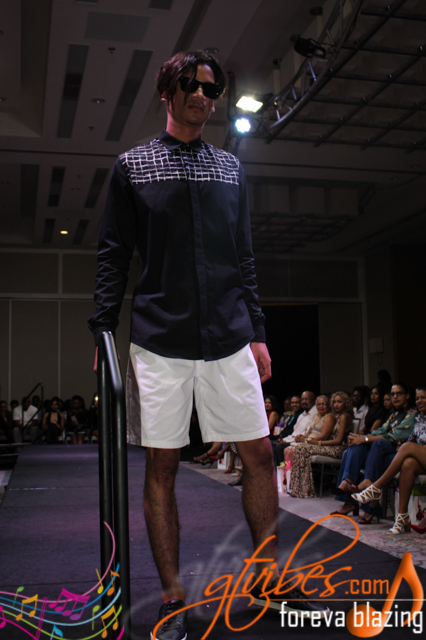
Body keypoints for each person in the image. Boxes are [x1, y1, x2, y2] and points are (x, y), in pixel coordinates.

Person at [88, 50, 327, 640]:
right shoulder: (133, 166)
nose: (202, 95)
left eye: (211, 89)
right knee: (162, 465)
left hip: (229, 334)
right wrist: (102, 329)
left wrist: (259, 332)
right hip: (159, 339)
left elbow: (244, 257)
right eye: (191, 85)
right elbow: (114, 253)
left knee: (260, 455)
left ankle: (267, 578)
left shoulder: (229, 169)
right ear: (166, 91)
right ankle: (173, 596)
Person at [331, 383, 416, 522]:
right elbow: (380, 431)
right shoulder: (394, 414)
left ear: (407, 395)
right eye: (393, 394)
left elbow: (396, 436)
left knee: (376, 444)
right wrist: (360, 438)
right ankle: (348, 486)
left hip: (398, 455)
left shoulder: (412, 414)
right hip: (382, 453)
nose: (395, 397)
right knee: (353, 448)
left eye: (399, 393)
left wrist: (365, 439)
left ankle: (368, 489)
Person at [353, 386, 426, 534]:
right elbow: (412, 438)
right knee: (407, 464)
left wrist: (407, 446)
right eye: (418, 398)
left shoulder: (411, 414)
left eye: (423, 397)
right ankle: (402, 516)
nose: (419, 401)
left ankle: (375, 487)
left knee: (405, 447)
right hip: (421, 456)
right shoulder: (419, 417)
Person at [289, 392, 351, 498]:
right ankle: (298, 488)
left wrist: (318, 443)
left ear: (345, 403)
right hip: (329, 446)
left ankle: (306, 490)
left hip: (338, 449)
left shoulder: (344, 416)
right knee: (300, 447)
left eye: (339, 402)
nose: (336, 405)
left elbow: (338, 441)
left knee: (302, 449)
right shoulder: (336, 416)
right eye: (334, 402)